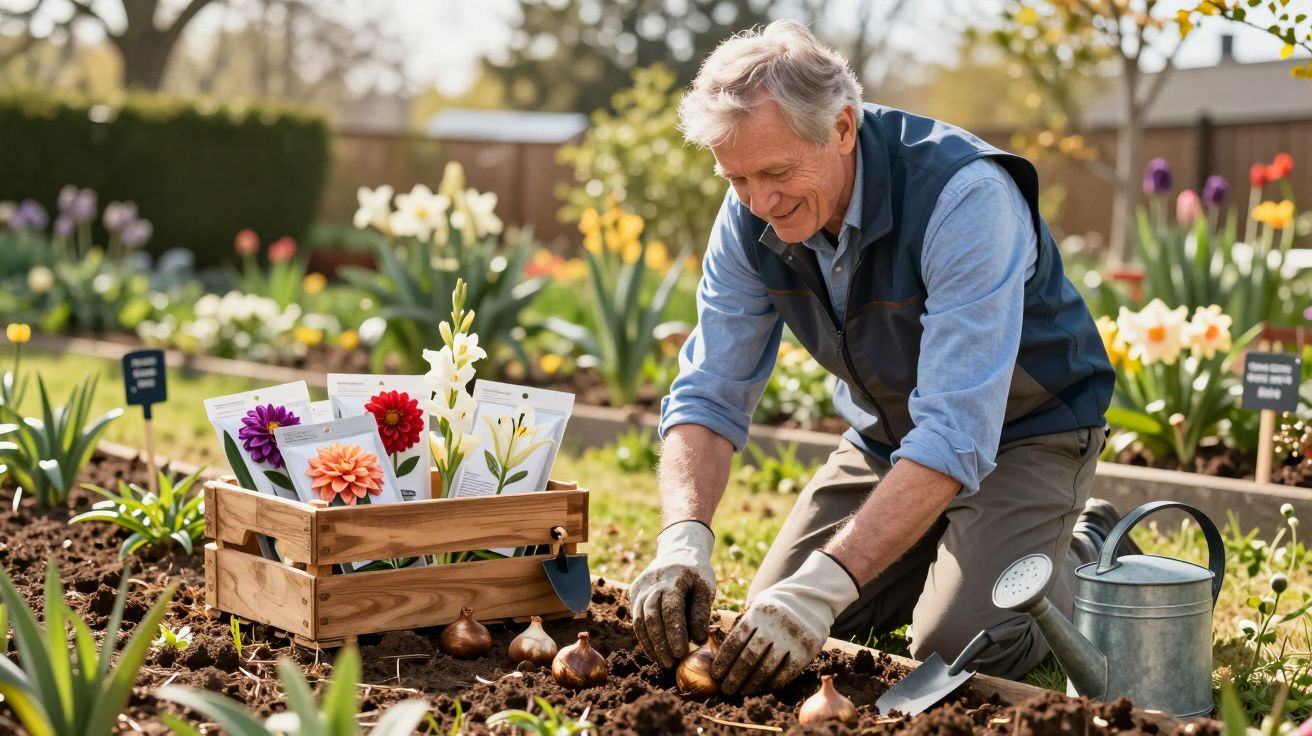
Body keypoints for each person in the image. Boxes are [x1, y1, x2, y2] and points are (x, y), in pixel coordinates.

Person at [627, 20, 1123, 696]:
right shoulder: (748, 212)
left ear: (842, 128)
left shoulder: (964, 196)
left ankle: (1084, 552)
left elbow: (955, 432)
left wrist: (831, 581)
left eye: (775, 172)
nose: (759, 203)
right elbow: (708, 394)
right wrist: (683, 536)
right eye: (736, 177)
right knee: (774, 611)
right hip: (889, 441)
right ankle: (954, 549)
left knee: (957, 645)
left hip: (1028, 432)